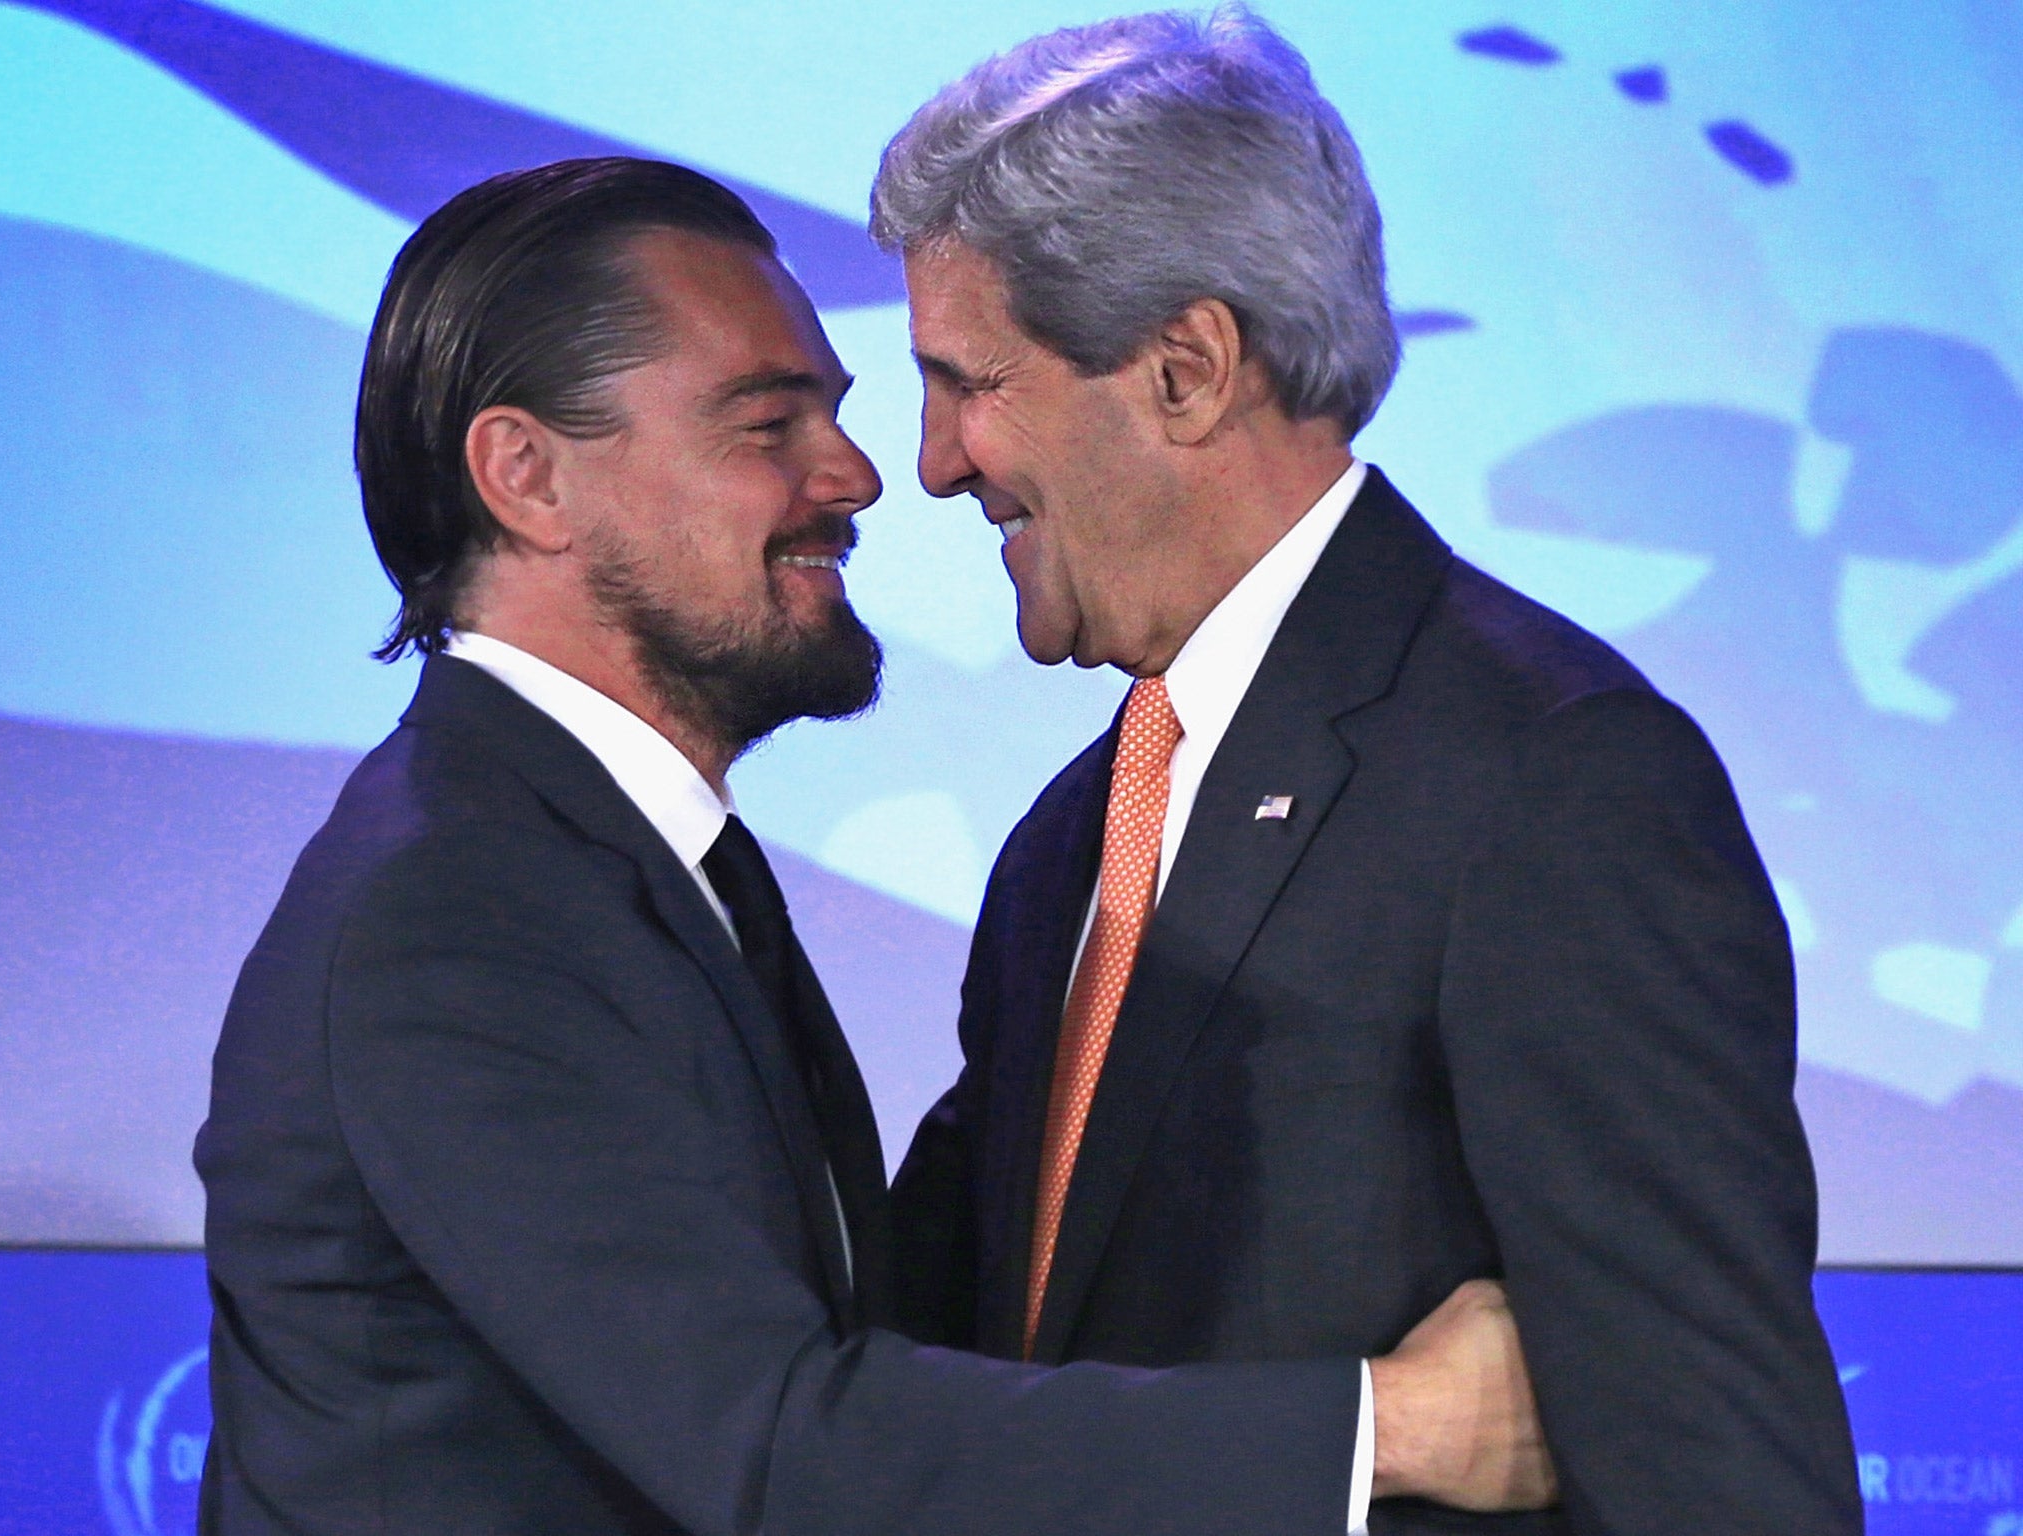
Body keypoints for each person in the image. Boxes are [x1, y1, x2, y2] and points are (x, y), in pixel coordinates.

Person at [194, 155, 1551, 1536]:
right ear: (528, 476)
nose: (860, 475)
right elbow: (779, 1444)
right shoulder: (461, 910)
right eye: (765, 425)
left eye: (835, 416)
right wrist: (1396, 1423)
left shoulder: (624, 868)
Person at [871, 11, 1862, 1534]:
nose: (934, 460)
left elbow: (1718, 1479)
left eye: (970, 381)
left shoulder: (1554, 784)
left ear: (1187, 371)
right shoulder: (1072, 839)